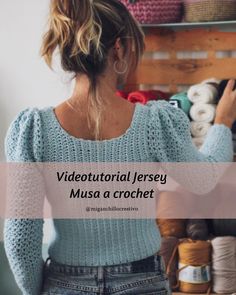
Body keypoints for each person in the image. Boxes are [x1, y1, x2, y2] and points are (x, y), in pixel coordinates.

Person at [3, 1, 236, 294]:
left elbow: (20, 241)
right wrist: (223, 122)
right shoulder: (154, 122)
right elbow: (203, 179)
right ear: (119, 49)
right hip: (142, 281)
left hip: (65, 283)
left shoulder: (34, 130)